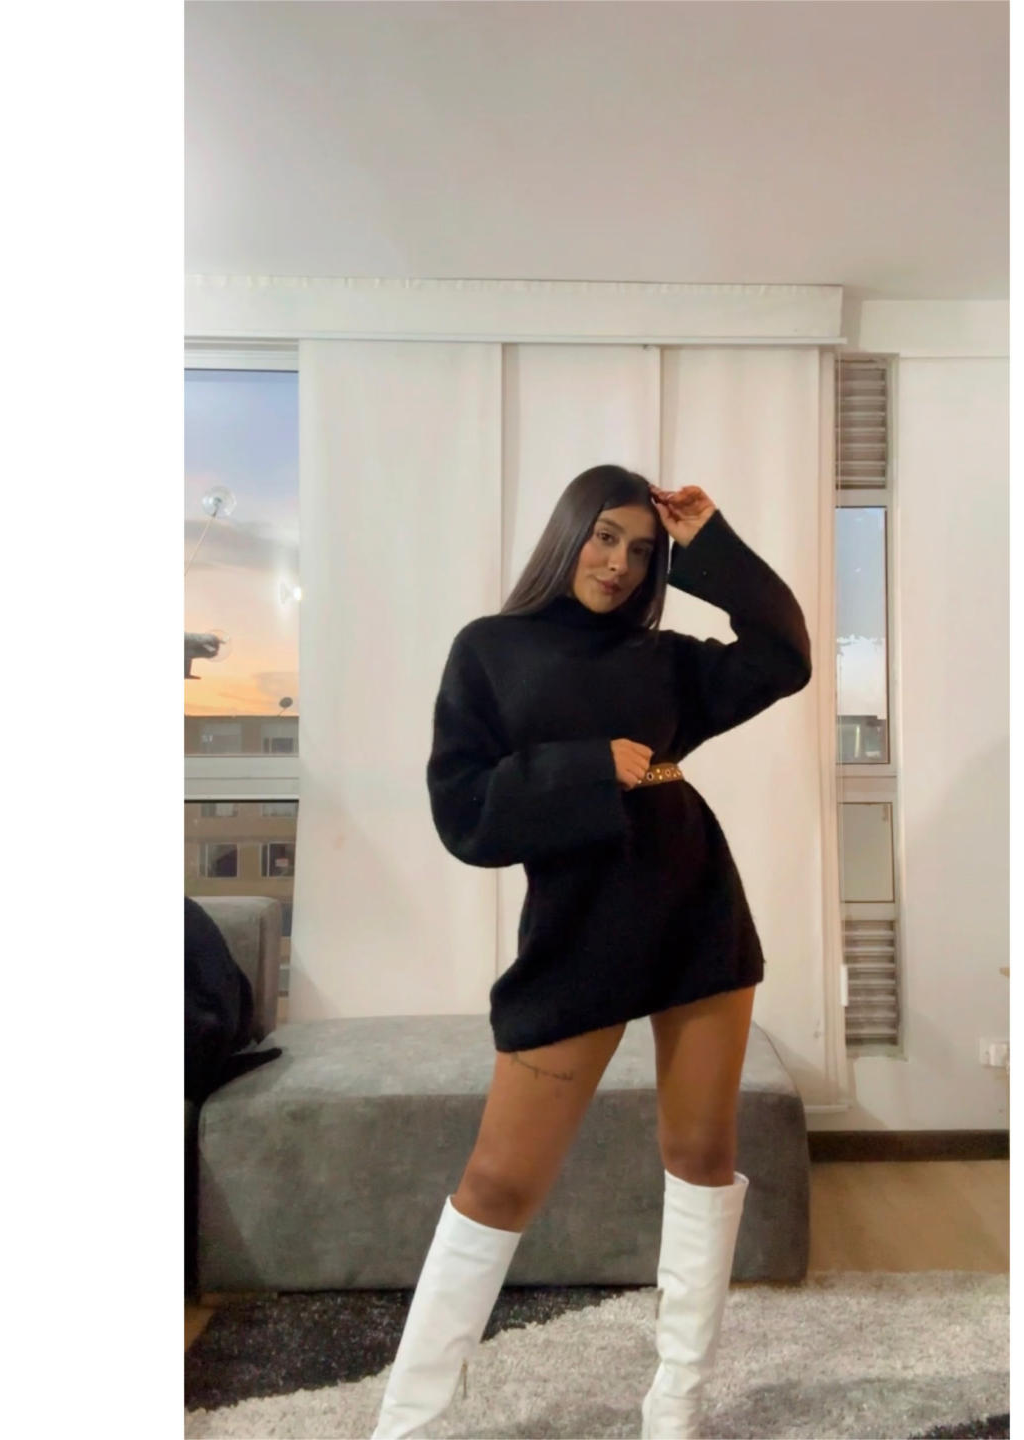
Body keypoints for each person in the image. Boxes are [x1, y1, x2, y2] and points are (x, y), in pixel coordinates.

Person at [371, 463, 812, 1439]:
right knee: (499, 1181)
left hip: (696, 911)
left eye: (642, 551)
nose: (618, 564)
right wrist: (585, 769)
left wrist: (712, 545)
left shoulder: (664, 661)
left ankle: (676, 1408)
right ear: (569, 534)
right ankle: (411, 1421)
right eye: (605, 537)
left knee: (702, 1156)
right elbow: (462, 811)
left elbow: (784, 656)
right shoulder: (489, 651)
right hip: (580, 929)